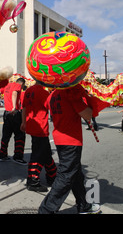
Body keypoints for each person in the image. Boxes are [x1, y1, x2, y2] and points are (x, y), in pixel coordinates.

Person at [38, 84, 101, 214]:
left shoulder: (52, 95)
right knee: (66, 176)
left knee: (76, 173)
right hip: (71, 141)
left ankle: (84, 205)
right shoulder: (71, 92)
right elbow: (87, 115)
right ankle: (46, 210)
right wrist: (88, 100)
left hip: (60, 138)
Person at [20, 83, 57, 192]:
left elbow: (24, 108)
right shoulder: (44, 93)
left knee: (46, 153)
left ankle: (52, 176)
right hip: (41, 127)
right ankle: (33, 181)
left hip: (32, 126)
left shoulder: (29, 90)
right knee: (38, 155)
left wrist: (23, 122)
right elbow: (52, 109)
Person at [0, 77, 26, 164]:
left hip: (7, 113)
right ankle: (18, 156)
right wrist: (14, 106)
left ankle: (2, 155)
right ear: (22, 84)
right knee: (19, 135)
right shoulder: (17, 87)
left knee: (6, 135)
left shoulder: (7, 86)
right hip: (15, 113)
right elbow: (14, 94)